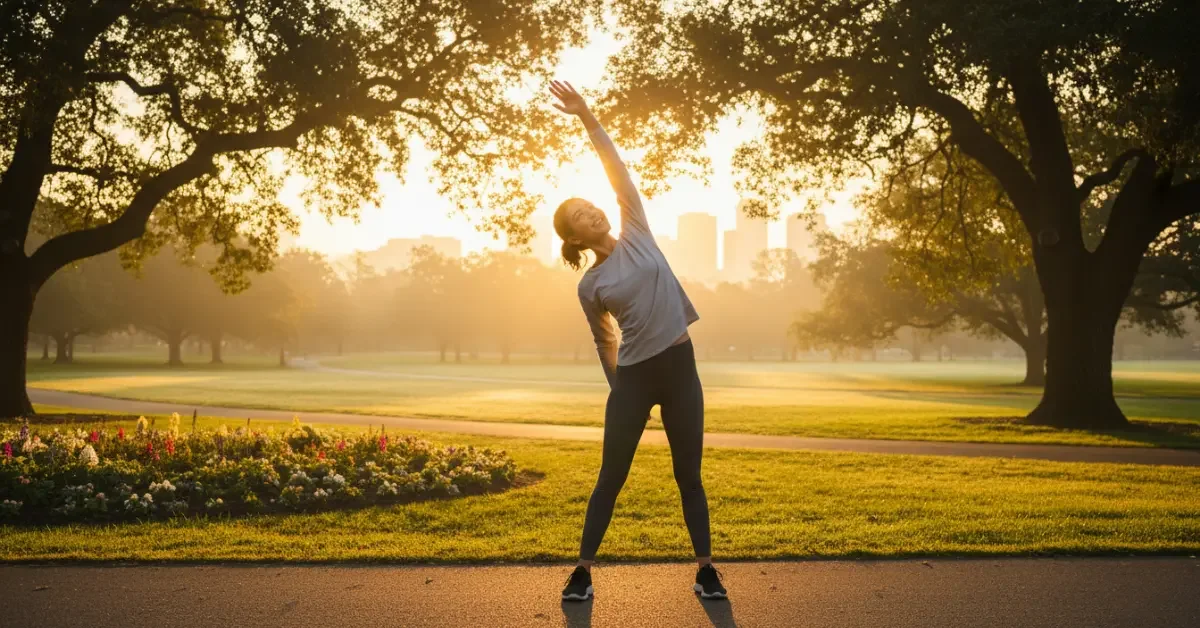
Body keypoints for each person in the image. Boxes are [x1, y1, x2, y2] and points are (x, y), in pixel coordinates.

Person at [548, 80, 727, 602]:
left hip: (680, 368)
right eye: (580, 216)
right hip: (634, 377)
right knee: (611, 478)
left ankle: (706, 570)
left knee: (688, 476)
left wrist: (586, 116)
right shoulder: (591, 284)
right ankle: (581, 572)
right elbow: (604, 340)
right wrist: (618, 387)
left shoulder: (637, 230)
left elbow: (616, 169)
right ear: (574, 237)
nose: (593, 212)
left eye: (590, 206)